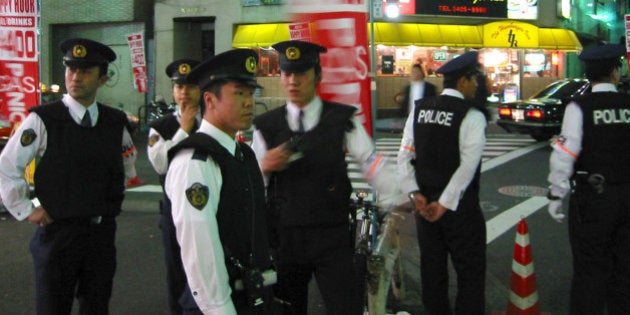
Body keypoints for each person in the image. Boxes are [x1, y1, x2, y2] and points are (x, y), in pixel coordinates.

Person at [251, 40, 398, 315]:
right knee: (288, 308)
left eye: (301, 74)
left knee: (345, 306)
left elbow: (370, 161)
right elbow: (250, 184)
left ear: (317, 76)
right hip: (286, 237)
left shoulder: (341, 119)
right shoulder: (266, 126)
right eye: (287, 74)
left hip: (332, 234)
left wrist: (396, 196)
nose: (293, 81)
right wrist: (265, 166)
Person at [0, 38, 138, 314]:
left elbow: (126, 166)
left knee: (97, 306)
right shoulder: (43, 119)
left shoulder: (115, 122)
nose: (75, 77)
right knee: (53, 308)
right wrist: (26, 208)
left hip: (100, 235)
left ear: (102, 79)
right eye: (71, 70)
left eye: (85, 71)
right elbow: (7, 165)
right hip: (58, 234)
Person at [164, 49, 276, 314]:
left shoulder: (242, 152)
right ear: (210, 100)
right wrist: (220, 308)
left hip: (249, 294)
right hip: (217, 304)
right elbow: (200, 248)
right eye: (239, 94)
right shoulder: (196, 161)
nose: (249, 102)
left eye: (250, 94)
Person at [397, 51, 487, 315]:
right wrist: (445, 204)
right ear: (462, 82)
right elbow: (467, 167)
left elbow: (404, 155)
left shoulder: (420, 109)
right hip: (461, 211)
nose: (476, 85)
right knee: (470, 275)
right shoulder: (472, 116)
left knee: (432, 273)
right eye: (473, 80)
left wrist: (415, 194)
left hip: (425, 209)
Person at [547, 43, 630, 314]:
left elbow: (565, 154)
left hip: (593, 200)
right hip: (627, 197)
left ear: (588, 75)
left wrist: (556, 194)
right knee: (624, 270)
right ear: (615, 72)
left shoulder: (579, 106)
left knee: (589, 270)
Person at [147, 58, 201, 314]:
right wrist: (184, 130)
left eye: (190, 86)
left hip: (210, 207)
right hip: (174, 211)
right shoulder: (161, 126)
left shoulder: (213, 119)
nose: (184, 92)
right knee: (176, 273)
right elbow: (160, 164)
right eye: (179, 87)